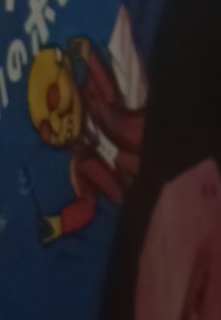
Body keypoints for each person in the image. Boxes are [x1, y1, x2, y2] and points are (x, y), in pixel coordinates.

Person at [27, 33, 144, 242]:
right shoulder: (79, 164)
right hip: (138, 201)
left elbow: (109, 91)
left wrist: (88, 55)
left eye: (54, 98)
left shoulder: (94, 95)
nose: (57, 124)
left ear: (66, 70)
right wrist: (60, 223)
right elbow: (87, 204)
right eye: (46, 130)